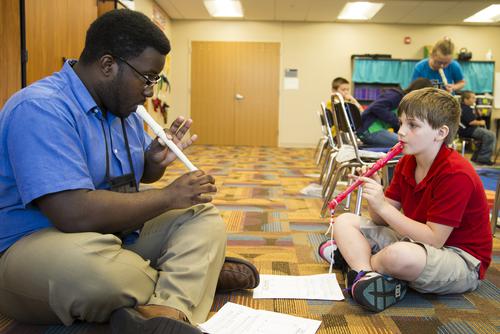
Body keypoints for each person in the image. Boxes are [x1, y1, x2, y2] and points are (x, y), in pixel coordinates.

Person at [0, 9, 259, 334]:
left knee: (202, 216)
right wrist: (168, 197)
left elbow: (134, 182)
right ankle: (190, 278)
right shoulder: (40, 108)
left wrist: (152, 162)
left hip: (112, 237)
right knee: (101, 277)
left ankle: (168, 311)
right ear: (108, 65)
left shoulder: (123, 111)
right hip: (34, 244)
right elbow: (72, 213)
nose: (150, 91)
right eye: (148, 78)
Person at [321, 88, 492, 312]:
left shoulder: (455, 173)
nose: (400, 131)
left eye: (412, 125)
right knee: (344, 221)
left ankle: (356, 262)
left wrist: (383, 206)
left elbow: (434, 240)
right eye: (401, 123)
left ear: (440, 133)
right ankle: (365, 275)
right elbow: (380, 219)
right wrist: (376, 196)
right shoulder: (407, 162)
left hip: (461, 258)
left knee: (399, 255)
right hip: (415, 240)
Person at [357, 78, 432, 147]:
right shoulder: (396, 95)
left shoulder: (406, 102)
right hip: (369, 130)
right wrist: (397, 120)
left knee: (410, 141)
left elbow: (396, 125)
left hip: (374, 131)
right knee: (408, 143)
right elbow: (376, 107)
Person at [458, 91, 496, 165]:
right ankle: (483, 159)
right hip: (467, 130)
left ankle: (476, 158)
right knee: (490, 135)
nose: (474, 100)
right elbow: (471, 122)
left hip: (469, 129)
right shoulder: (464, 108)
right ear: (466, 99)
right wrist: (481, 122)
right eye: (472, 98)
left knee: (485, 137)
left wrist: (478, 114)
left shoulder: (466, 107)